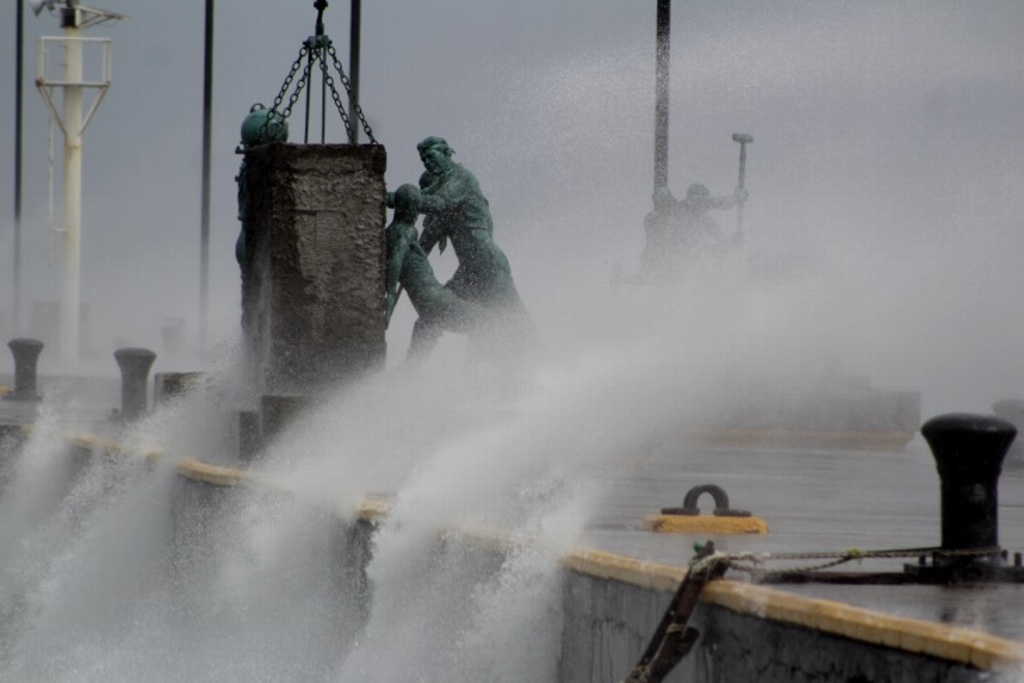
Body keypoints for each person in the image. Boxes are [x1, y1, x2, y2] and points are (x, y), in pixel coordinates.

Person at [387, 136, 534, 361]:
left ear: (447, 153)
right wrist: (400, 275)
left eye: (431, 155)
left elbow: (435, 202)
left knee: (512, 320)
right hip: (468, 270)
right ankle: (410, 371)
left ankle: (537, 364)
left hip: (488, 265)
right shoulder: (446, 207)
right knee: (431, 317)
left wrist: (391, 198)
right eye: (423, 159)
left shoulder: (462, 180)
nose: (427, 161)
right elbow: (423, 244)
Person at [385, 184, 489, 336]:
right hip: (436, 299)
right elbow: (396, 260)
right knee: (488, 320)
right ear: (409, 209)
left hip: (429, 303)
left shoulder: (389, 234)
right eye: (416, 208)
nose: (416, 214)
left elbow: (394, 263)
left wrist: (389, 296)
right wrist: (390, 295)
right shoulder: (406, 231)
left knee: (482, 323)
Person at [639, 182, 747, 281]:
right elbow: (718, 203)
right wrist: (736, 198)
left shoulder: (704, 220)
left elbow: (717, 246)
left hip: (687, 270)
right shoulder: (683, 209)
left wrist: (732, 243)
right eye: (703, 200)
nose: (704, 205)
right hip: (671, 268)